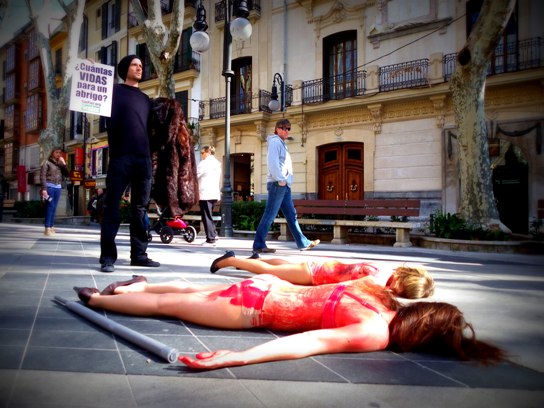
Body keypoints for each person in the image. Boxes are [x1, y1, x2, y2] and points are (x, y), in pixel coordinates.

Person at [74, 275, 505, 370]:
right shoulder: (376, 332)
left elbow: (320, 281)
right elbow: (308, 343)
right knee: (169, 305)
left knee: (186, 293)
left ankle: (128, 290)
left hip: (266, 288)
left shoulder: (380, 294)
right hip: (253, 309)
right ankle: (98, 299)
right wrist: (238, 357)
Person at [99, 55, 159, 273]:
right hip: (120, 157)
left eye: (141, 65)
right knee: (111, 206)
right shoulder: (111, 92)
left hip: (143, 159)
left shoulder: (146, 100)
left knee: (140, 209)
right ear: (125, 69)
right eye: (135, 65)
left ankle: (139, 256)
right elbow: (91, 99)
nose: (139, 68)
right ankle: (107, 258)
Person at [209, 251, 434, 299]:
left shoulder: (387, 271)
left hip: (322, 267)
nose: (399, 294)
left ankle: (254, 261)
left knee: (285, 267)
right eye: (404, 292)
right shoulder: (378, 281)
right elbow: (354, 289)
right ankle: (229, 260)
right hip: (316, 275)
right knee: (273, 272)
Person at [253, 119, 319, 254]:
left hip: (284, 185)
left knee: (291, 215)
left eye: (289, 128)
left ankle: (303, 243)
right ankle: (258, 244)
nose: (287, 130)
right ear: (277, 129)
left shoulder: (281, 143)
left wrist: (285, 181)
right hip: (278, 184)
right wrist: (280, 179)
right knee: (270, 215)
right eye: (284, 128)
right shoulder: (275, 142)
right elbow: (273, 163)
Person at [40, 147, 69, 236]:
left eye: (60, 153)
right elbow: (42, 176)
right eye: (56, 152)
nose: (58, 154)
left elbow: (67, 174)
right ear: (52, 153)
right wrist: (44, 189)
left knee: (54, 207)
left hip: (58, 187)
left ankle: (51, 226)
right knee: (50, 206)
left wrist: (64, 164)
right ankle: (47, 228)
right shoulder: (46, 162)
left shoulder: (60, 164)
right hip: (49, 187)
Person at [197, 145, 222, 246]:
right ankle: (214, 234)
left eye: (202, 153)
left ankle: (210, 239)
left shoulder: (204, 163)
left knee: (206, 217)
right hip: (213, 193)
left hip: (205, 193)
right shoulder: (216, 164)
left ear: (208, 152)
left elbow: (195, 175)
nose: (201, 155)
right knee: (209, 215)